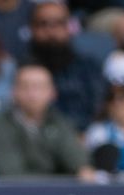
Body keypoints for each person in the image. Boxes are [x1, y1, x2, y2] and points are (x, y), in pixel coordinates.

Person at [0, 63, 93, 180]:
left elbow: (79, 162)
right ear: (13, 92)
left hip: (56, 193)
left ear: (53, 93)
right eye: (25, 87)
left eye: (39, 87)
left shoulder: (59, 122)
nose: (32, 94)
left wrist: (83, 170)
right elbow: (11, 175)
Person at [25, 0, 106, 133]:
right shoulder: (21, 68)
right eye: (43, 24)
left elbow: (98, 108)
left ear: (69, 27)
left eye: (58, 23)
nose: (51, 31)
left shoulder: (88, 67)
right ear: (32, 28)